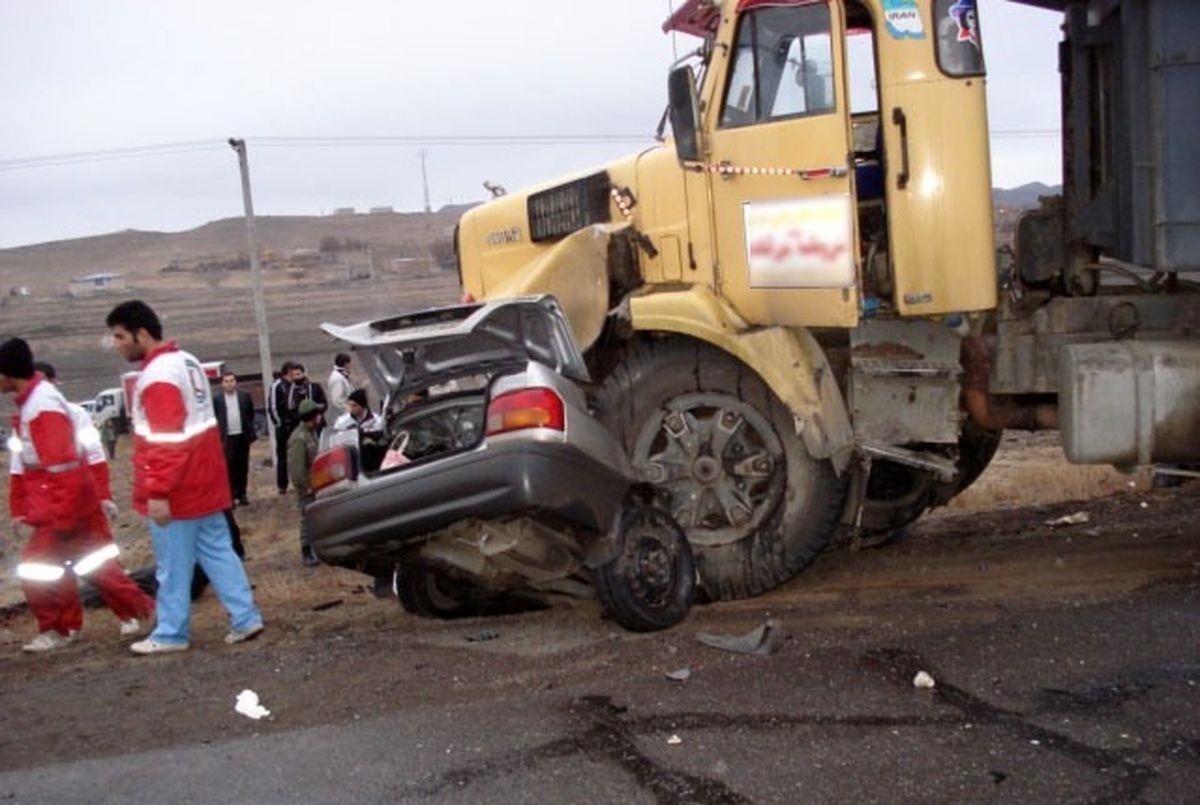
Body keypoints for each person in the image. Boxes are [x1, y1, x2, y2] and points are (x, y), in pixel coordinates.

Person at [105, 300, 264, 654]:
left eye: (119, 337)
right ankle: (245, 617)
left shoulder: (158, 376)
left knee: (173, 565)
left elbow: (166, 439)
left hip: (179, 489)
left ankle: (171, 633)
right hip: (206, 481)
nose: (116, 345)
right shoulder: (187, 361)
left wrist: (158, 491)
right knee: (219, 552)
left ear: (141, 334)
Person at [3, 341, 154, 653]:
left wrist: (60, 514)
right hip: (68, 501)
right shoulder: (36, 403)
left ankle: (58, 629)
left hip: (61, 504)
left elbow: (62, 464)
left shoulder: (41, 406)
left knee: (36, 569)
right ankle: (146, 610)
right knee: (94, 566)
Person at [287, 399, 322, 567]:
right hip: (308, 488)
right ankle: (306, 552)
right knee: (307, 519)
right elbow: (296, 469)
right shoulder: (299, 439)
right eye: (318, 414)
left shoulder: (311, 433)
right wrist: (306, 488)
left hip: (316, 485)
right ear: (313, 416)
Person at [213, 371, 256, 506]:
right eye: (226, 381)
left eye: (232, 381)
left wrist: (249, 432)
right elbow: (216, 417)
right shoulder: (218, 399)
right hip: (227, 438)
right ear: (222, 384)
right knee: (229, 467)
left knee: (242, 466)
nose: (229, 384)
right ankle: (230, 496)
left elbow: (250, 414)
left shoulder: (244, 396)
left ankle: (242, 494)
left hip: (242, 436)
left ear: (236, 382)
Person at [334, 388, 386, 472]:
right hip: (352, 461)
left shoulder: (377, 421)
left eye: (354, 406)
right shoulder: (342, 422)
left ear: (363, 406)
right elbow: (337, 441)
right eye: (350, 405)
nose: (351, 409)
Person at [268, 361, 294, 495]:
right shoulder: (277, 386)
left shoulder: (295, 385)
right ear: (288, 371)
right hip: (283, 427)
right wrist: (279, 423)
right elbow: (273, 407)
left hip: (295, 425)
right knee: (282, 456)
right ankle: (282, 485)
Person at [326, 353, 355, 422]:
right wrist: (351, 410)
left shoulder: (341, 376)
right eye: (350, 364)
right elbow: (337, 400)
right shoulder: (337, 379)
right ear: (346, 364)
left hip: (345, 416)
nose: (351, 366)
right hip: (342, 417)